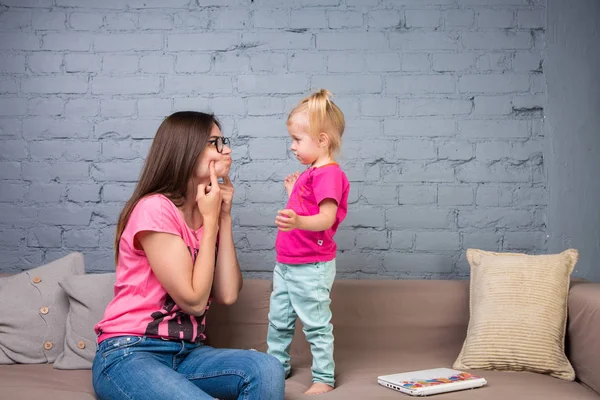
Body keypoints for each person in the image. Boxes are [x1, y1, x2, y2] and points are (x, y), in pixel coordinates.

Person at [92, 111, 285, 400]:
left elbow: (228, 293)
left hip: (188, 354)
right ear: (186, 150)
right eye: (215, 143)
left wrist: (223, 217)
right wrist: (210, 224)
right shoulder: (155, 208)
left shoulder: (206, 212)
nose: (227, 149)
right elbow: (194, 302)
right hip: (130, 352)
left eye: (224, 141)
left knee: (266, 368)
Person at [267, 89, 350, 395]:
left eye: (297, 140)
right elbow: (305, 209)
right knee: (279, 320)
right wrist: (293, 193)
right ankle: (275, 366)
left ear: (323, 140)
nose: (292, 146)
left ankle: (324, 377)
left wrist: (298, 220)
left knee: (315, 325)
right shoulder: (311, 173)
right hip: (287, 264)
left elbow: (326, 218)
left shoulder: (329, 175)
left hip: (310, 266)